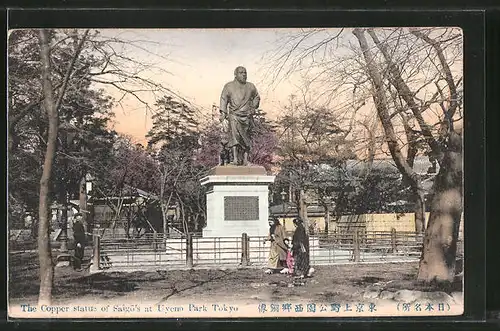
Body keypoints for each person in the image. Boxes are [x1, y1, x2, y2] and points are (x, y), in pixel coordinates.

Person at [219, 66, 260, 166]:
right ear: (235, 75)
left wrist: (253, 108)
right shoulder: (229, 86)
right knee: (235, 137)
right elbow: (224, 98)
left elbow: (257, 97)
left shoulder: (251, 86)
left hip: (247, 116)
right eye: (241, 73)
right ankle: (235, 159)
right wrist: (223, 113)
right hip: (234, 115)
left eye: (245, 73)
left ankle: (246, 159)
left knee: (246, 138)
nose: (244, 75)